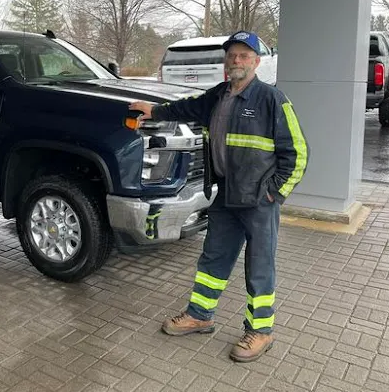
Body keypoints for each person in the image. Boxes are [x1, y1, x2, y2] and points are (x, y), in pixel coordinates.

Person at [129, 30, 308, 363]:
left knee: (259, 266)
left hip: (258, 201)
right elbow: (186, 108)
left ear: (256, 62)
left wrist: (274, 194)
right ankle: (200, 314)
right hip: (226, 195)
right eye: (231, 56)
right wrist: (153, 111)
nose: (235, 61)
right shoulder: (217, 95)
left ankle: (261, 331)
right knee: (213, 259)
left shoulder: (272, 100)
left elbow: (297, 153)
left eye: (243, 56)